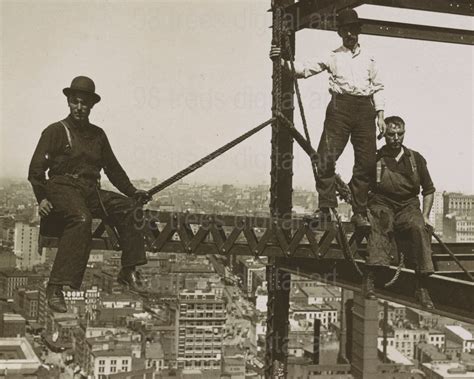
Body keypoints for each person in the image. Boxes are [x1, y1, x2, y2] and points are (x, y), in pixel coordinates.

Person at [28, 76, 151, 313]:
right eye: (75, 102)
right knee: (81, 219)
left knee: (131, 208)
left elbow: (113, 169)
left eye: (84, 103)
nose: (79, 107)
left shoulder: (98, 135)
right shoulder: (56, 131)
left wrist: (133, 192)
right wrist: (41, 197)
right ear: (68, 102)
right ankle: (56, 287)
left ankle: (128, 270)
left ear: (92, 106)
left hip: (90, 189)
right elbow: (36, 169)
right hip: (62, 187)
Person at [270, 8, 386, 229]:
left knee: (366, 163)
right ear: (340, 32)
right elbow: (303, 69)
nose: (349, 34)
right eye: (345, 30)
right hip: (339, 107)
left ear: (357, 31)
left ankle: (359, 212)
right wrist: (280, 60)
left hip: (364, 109)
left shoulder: (370, 59)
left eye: (352, 29)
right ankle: (325, 208)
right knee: (325, 157)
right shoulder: (332, 56)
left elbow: (378, 87)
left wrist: (380, 114)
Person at [364, 116, 436, 309]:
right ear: (384, 134)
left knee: (418, 226)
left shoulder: (415, 159)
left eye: (400, 134)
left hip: (408, 206)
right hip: (382, 203)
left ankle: (421, 287)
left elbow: (428, 190)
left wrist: (426, 216)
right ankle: (371, 278)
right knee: (380, 221)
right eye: (391, 134)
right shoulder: (376, 158)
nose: (396, 138)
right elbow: (363, 185)